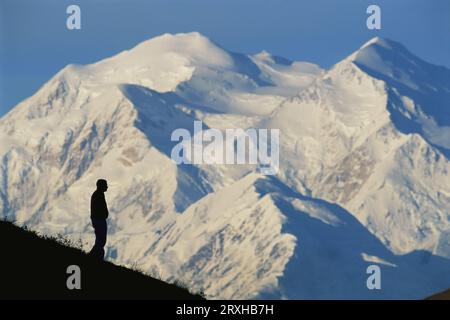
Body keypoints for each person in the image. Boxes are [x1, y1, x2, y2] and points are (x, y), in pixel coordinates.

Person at [89, 179, 109, 260]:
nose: (107, 187)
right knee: (101, 241)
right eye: (105, 185)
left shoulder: (98, 194)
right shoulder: (98, 195)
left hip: (98, 220)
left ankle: (97, 257)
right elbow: (98, 209)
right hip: (99, 220)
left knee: (100, 240)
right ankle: (94, 257)